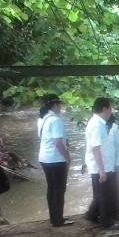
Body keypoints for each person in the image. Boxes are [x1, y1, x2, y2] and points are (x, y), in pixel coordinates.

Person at [37, 95, 73, 227]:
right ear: (55, 105)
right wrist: (67, 157)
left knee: (51, 188)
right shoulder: (56, 120)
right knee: (59, 189)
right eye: (59, 104)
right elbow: (58, 142)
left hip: (44, 158)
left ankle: (54, 218)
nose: (61, 107)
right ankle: (58, 220)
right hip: (56, 158)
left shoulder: (41, 119)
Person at [84, 97, 119, 229]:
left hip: (102, 165)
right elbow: (96, 148)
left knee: (102, 193)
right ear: (105, 109)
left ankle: (91, 214)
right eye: (110, 108)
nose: (111, 111)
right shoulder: (97, 125)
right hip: (100, 166)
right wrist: (102, 171)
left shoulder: (98, 123)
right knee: (104, 195)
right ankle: (106, 222)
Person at [106, 114, 119, 220]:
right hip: (103, 166)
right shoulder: (97, 126)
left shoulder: (114, 127)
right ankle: (104, 211)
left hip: (113, 164)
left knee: (114, 189)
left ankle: (116, 211)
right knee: (103, 190)